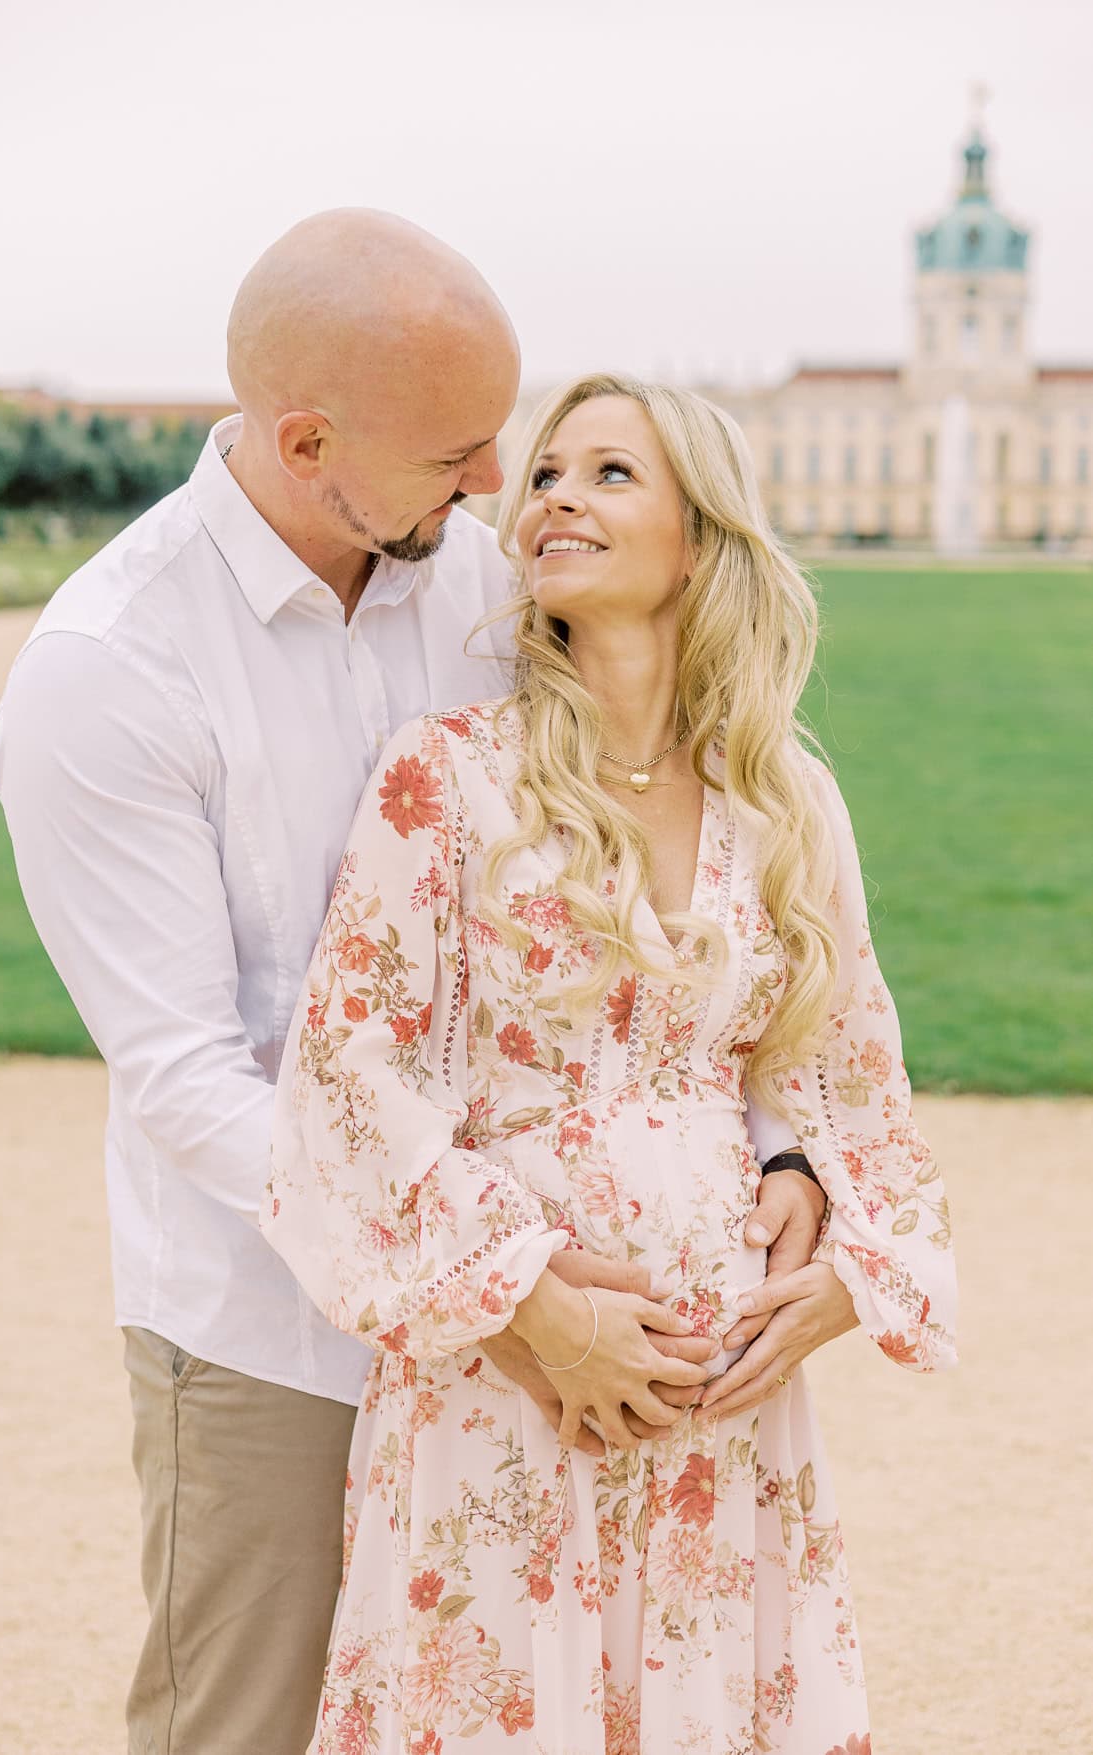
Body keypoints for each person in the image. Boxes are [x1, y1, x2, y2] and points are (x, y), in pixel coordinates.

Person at [0, 217, 828, 1755]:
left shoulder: (480, 586)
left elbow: (670, 884)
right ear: (307, 444)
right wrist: (492, 1289)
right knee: (246, 1725)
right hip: (278, 1328)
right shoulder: (108, 672)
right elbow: (189, 1074)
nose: (500, 484)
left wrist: (775, 1140)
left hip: (556, 1314)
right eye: (456, 449)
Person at [264, 373, 958, 1753]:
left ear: (699, 538)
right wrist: (519, 1295)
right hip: (510, 1387)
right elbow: (351, 1071)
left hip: (722, 1419)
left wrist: (845, 1272)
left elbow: (844, 1064)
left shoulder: (781, 801)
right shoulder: (446, 778)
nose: (558, 496)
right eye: (548, 474)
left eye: (610, 474)